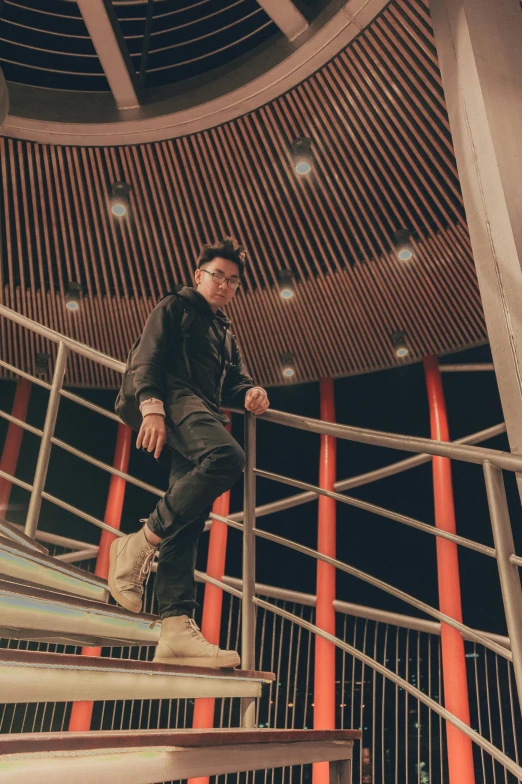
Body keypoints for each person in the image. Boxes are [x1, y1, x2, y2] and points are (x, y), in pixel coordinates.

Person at [109, 237, 270, 668]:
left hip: (202, 408)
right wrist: (152, 408)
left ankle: (176, 626)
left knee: (190, 515)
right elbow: (147, 356)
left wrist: (252, 391)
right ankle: (138, 544)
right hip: (174, 398)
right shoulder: (174, 306)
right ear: (198, 274)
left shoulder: (225, 331)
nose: (225, 285)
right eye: (218, 275)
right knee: (227, 459)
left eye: (233, 281)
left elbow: (233, 378)